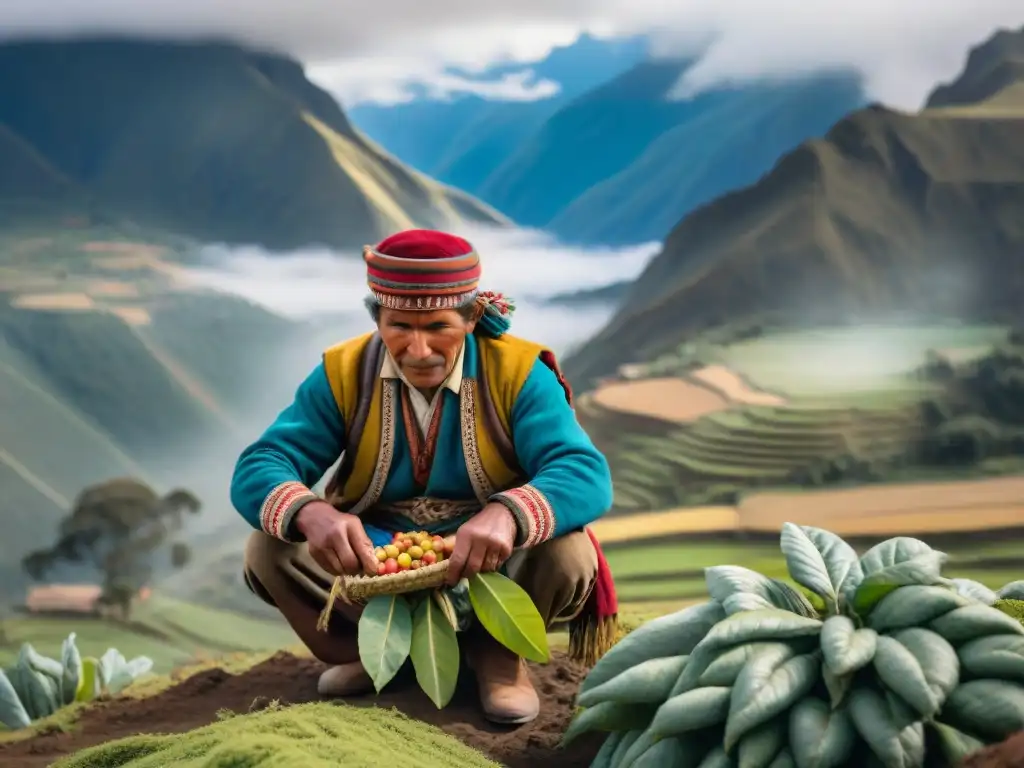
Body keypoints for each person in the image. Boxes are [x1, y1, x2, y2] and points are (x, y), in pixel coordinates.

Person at [230, 228, 618, 725]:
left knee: (567, 549)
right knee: (268, 549)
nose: (417, 349)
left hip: (490, 556)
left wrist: (508, 514)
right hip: (375, 552)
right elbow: (262, 463)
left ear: (473, 316)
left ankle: (498, 658)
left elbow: (583, 470)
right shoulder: (342, 372)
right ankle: (375, 656)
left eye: (437, 326)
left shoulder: (520, 373)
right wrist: (311, 513)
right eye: (398, 327)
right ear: (377, 318)